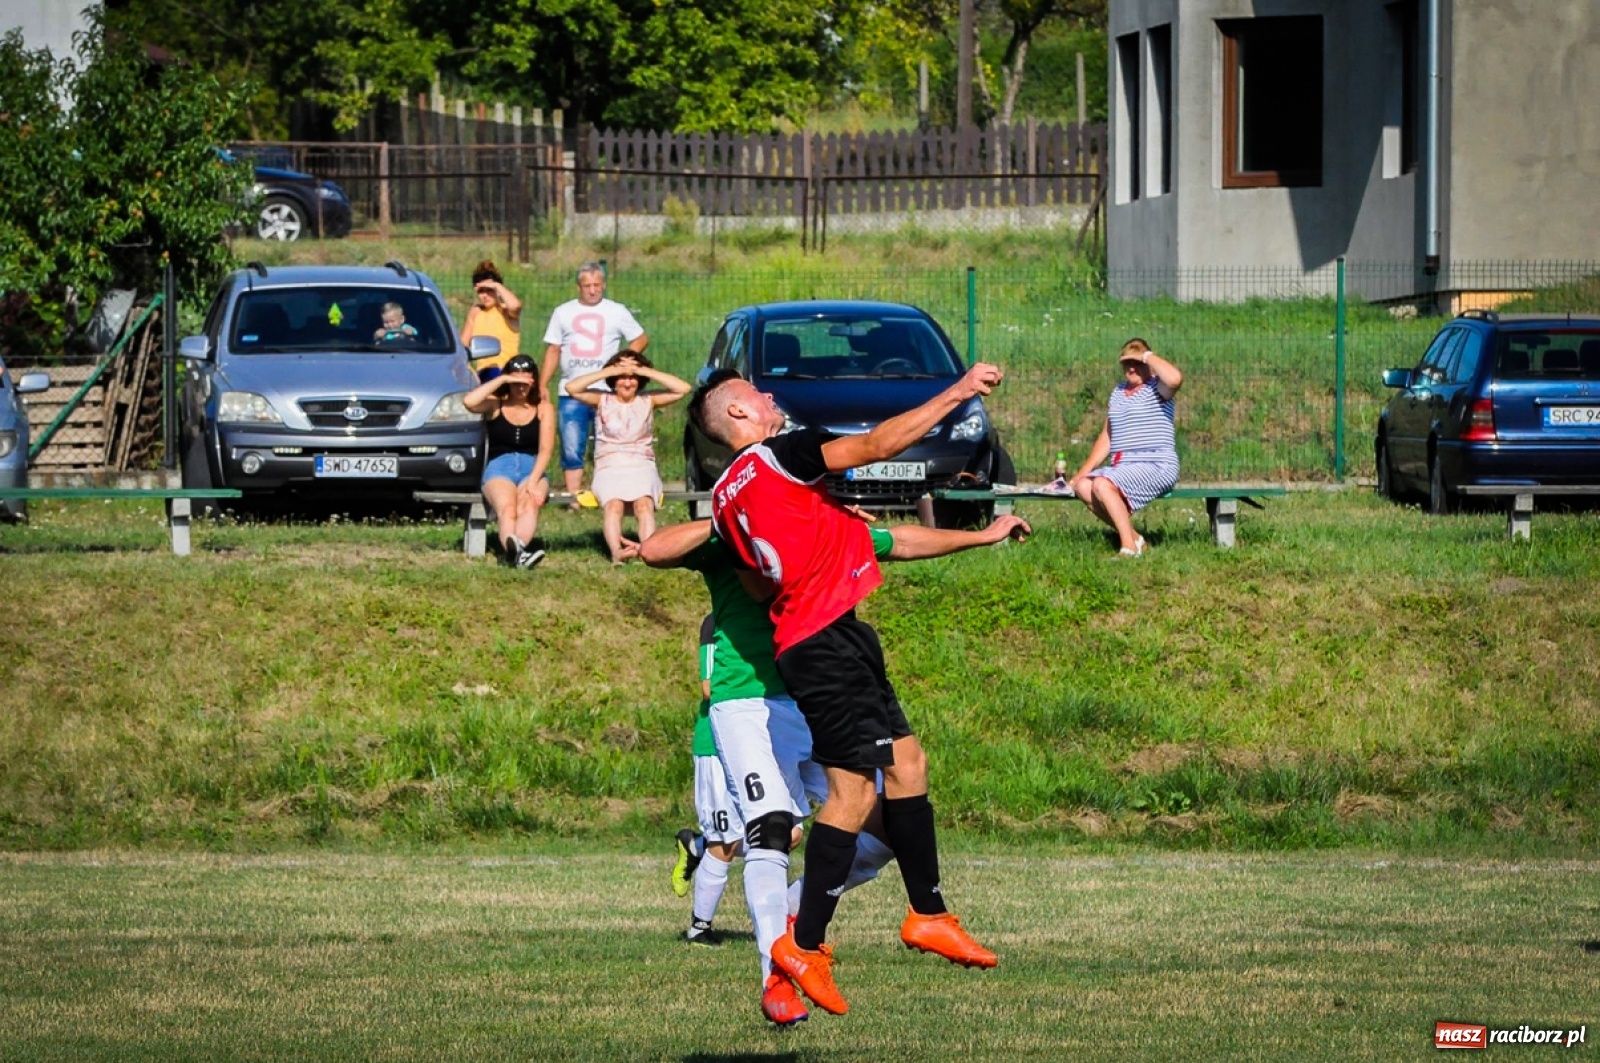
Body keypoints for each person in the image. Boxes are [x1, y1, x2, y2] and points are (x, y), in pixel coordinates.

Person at [685, 361, 1008, 1017]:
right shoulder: (778, 456)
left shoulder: (727, 495)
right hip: (822, 640)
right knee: (854, 792)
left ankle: (928, 911)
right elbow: (881, 444)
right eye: (758, 393)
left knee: (908, 763)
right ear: (739, 415)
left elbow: (755, 583)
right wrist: (957, 391)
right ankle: (803, 944)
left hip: (828, 635)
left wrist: (820, 527)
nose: (771, 395)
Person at [639, 510, 1031, 1026]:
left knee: (890, 828)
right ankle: (775, 979)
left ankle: (798, 918)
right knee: (772, 828)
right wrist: (729, 520)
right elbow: (655, 549)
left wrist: (982, 536)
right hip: (747, 703)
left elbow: (902, 540)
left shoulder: (815, 525)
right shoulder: (734, 526)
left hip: (812, 692)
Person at [564, 352, 690, 563]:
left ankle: (650, 552)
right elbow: (572, 388)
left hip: (641, 464)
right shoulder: (601, 399)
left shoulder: (648, 400)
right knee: (614, 506)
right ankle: (616, 552)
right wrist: (611, 370)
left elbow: (683, 388)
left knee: (644, 504)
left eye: (632, 377)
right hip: (609, 465)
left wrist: (641, 369)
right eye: (622, 377)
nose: (627, 381)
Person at [539, 263, 650, 503]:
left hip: (607, 392)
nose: (592, 290)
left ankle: (609, 494)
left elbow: (640, 338)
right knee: (571, 444)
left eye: (596, 285)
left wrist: (622, 363)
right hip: (571, 390)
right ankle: (573, 498)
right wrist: (542, 383)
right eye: (587, 286)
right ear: (578, 287)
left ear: (604, 285)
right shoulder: (563, 312)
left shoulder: (616, 311)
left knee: (609, 444)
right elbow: (553, 349)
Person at [1068, 338, 1184, 557]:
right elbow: (1107, 436)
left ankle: (1128, 549)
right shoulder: (1118, 392)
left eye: (1137, 362)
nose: (1132, 368)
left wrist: (1146, 356)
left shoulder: (1157, 387)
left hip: (1156, 463)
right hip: (1123, 466)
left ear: (1149, 363)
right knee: (1084, 486)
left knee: (1102, 485)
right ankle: (1135, 538)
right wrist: (1080, 474)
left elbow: (1175, 378)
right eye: (1126, 363)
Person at [462, 353, 554, 568]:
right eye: (516, 382)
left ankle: (517, 552)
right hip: (499, 465)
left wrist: (533, 480)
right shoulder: (495, 405)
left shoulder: (543, 408)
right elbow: (469, 401)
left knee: (530, 505)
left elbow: (546, 449)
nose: (520, 387)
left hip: (532, 465)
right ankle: (520, 554)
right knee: (507, 509)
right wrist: (502, 380)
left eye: (526, 382)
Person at [459, 260, 523, 383]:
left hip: (506, 371)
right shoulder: (476, 313)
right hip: (484, 373)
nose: (485, 295)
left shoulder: (506, 311)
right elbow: (463, 347)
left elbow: (515, 306)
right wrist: (470, 372)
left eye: (489, 290)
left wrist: (496, 285)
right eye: (481, 291)